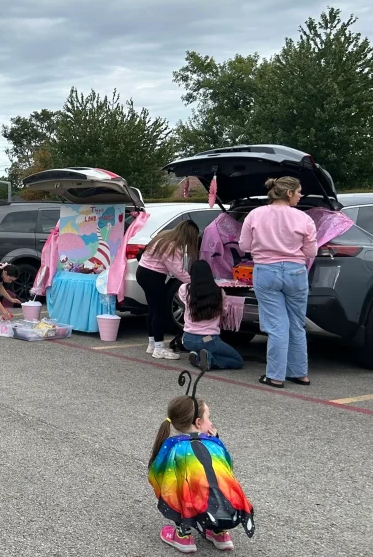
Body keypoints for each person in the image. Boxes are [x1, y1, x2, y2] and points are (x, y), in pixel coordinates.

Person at [149, 390, 254, 552]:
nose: (211, 423)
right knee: (216, 486)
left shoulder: (173, 445)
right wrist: (216, 439)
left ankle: (183, 537)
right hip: (227, 504)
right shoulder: (215, 444)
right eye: (209, 418)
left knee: (177, 488)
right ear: (198, 423)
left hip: (193, 503)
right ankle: (220, 534)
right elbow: (228, 465)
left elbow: (158, 472)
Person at [239, 176, 317, 388]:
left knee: (276, 326)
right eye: (299, 191)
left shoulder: (255, 215)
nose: (301, 196)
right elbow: (311, 251)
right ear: (289, 193)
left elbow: (244, 245)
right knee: (296, 324)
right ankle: (300, 373)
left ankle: (275, 375)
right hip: (295, 272)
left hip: (266, 271)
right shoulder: (304, 219)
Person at [135, 220, 200, 360]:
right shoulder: (172, 246)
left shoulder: (163, 237)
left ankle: (152, 344)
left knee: (152, 309)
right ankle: (159, 348)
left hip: (143, 272)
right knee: (160, 311)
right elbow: (178, 271)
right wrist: (196, 282)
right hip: (153, 276)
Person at [179, 261, 244, 370]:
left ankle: (198, 355)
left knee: (206, 347)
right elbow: (224, 312)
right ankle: (209, 359)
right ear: (210, 273)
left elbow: (183, 301)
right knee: (237, 360)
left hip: (187, 339)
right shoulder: (219, 292)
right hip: (208, 339)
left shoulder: (184, 289)